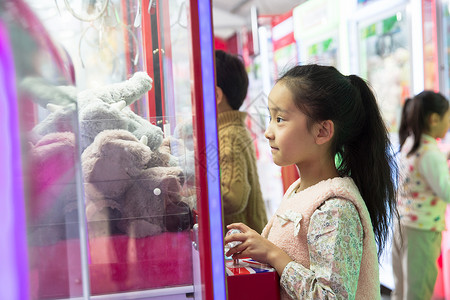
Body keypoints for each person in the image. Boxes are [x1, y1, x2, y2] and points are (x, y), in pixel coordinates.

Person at [224, 64, 398, 299]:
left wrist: (274, 255)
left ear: (322, 131)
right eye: (270, 117)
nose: (268, 132)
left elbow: (331, 296)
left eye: (280, 119)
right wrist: (256, 246)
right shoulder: (298, 191)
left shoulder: (335, 208)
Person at [391, 91, 450, 300]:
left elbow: (423, 170)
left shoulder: (411, 143)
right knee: (419, 291)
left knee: (402, 288)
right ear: (434, 119)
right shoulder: (431, 154)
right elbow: (446, 191)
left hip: (402, 225)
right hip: (423, 231)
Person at [215, 50, 268, 234]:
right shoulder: (233, 130)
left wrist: (194, 188)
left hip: (242, 250)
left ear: (216, 96)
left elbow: (233, 198)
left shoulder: (228, 135)